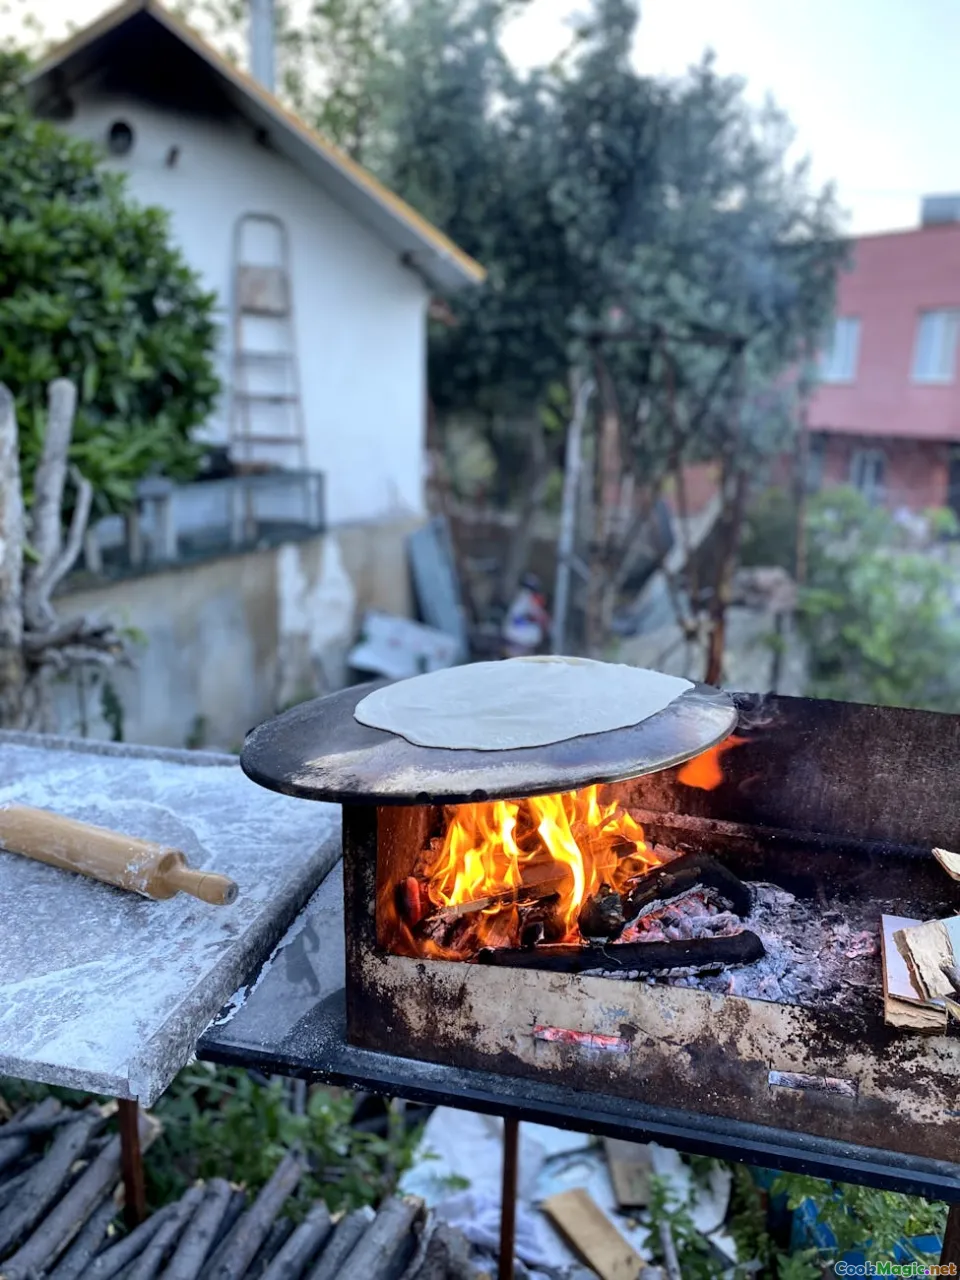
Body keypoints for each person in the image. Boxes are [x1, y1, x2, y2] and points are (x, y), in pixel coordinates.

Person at [501, 573, 552, 658]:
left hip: (519, 637)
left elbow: (542, 618)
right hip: (516, 636)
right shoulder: (524, 598)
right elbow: (518, 619)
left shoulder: (527, 599)